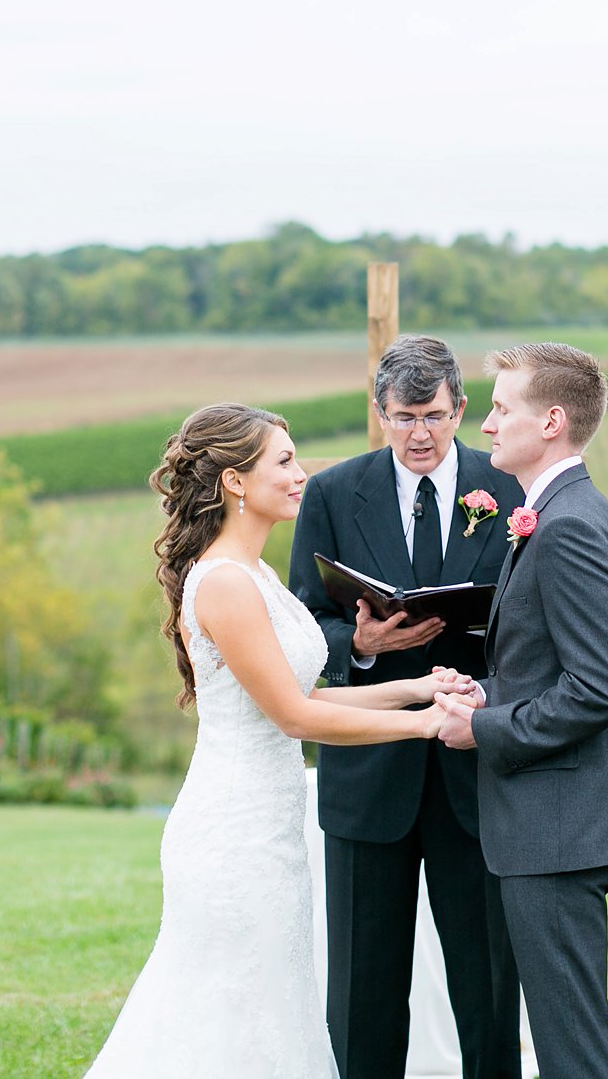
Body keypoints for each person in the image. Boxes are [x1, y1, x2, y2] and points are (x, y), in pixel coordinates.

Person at [87, 403, 479, 1079]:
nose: (302, 474)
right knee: (223, 1017)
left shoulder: (259, 575)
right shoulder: (228, 584)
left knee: (274, 1009)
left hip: (273, 829)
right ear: (236, 481)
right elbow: (295, 717)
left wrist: (419, 689)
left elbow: (307, 696)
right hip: (232, 835)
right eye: (285, 461)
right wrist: (424, 726)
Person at [288, 335, 525, 1079]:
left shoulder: (511, 489)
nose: (419, 433)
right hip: (368, 778)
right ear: (378, 413)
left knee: (488, 991)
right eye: (402, 417)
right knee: (362, 996)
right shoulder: (332, 494)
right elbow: (305, 622)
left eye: (432, 415)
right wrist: (356, 641)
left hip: (475, 777)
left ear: (460, 407)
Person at [433, 343, 608, 1079]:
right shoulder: (555, 511)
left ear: (552, 420)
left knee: (573, 1049)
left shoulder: (569, 525)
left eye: (500, 408)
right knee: (565, 1040)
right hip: (551, 825)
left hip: (558, 829)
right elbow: (556, 668)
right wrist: (486, 691)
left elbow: (603, 686)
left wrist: (483, 728)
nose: (485, 424)